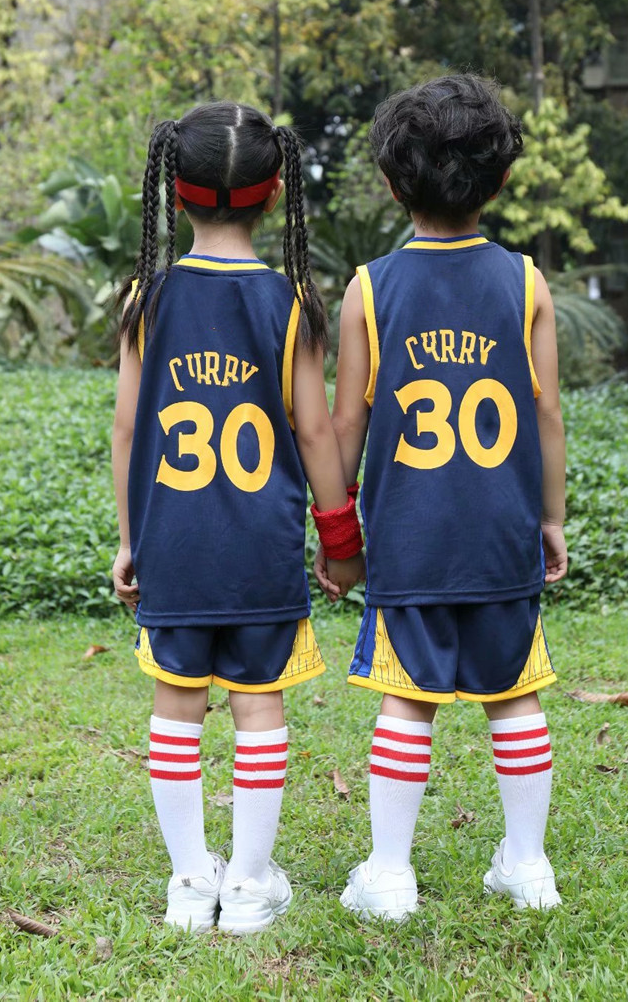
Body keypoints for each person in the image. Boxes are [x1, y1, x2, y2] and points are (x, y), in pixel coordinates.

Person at [318, 73, 567, 918]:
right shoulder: (528, 283)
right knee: (515, 694)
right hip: (502, 537)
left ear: (394, 184)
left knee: (407, 698)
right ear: (501, 179)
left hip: (408, 541)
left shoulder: (368, 288)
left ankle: (390, 873)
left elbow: (346, 427)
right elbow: (547, 415)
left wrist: (337, 533)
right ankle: (528, 866)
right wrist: (551, 519)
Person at [112, 102, 365, 935]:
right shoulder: (290, 303)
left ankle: (190, 884)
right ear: (277, 189)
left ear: (174, 191)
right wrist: (340, 539)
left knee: (175, 706)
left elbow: (127, 430)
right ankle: (251, 886)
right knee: (259, 706)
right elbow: (316, 432)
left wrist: (130, 540)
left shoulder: (147, 297)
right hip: (261, 551)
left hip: (174, 546)